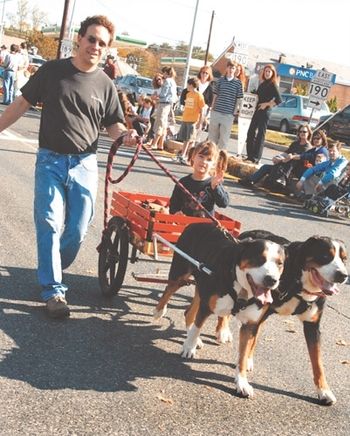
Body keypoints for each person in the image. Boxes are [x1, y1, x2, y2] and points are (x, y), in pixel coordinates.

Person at [0, 15, 136, 319]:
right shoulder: (52, 71)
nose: (95, 46)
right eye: (91, 39)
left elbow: (113, 123)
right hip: (50, 159)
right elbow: (21, 103)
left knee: (77, 229)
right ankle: (53, 290)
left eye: (102, 43)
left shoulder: (105, 83)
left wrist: (125, 136)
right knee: (48, 222)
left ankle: (52, 266)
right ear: (79, 38)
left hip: (85, 163)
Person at [239, 124, 312, 188]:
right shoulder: (295, 143)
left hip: (294, 168)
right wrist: (277, 157)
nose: (302, 133)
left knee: (292, 161)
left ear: (308, 133)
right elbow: (286, 153)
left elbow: (297, 157)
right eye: (300, 131)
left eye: (304, 132)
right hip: (283, 165)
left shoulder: (307, 147)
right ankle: (251, 181)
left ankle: (281, 179)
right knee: (265, 167)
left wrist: (283, 159)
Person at [169, 140, 229, 217]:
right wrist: (176, 212)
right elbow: (174, 204)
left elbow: (224, 203)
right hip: (185, 225)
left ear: (214, 164)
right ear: (193, 157)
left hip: (205, 226)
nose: (204, 161)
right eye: (201, 156)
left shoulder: (213, 183)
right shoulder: (183, 182)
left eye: (209, 160)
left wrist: (215, 187)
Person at [245, 64, 282, 164]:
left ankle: (256, 158)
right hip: (257, 110)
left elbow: (279, 100)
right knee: (251, 132)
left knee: (261, 134)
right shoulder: (262, 83)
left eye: (269, 72)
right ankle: (250, 156)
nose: (267, 73)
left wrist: (266, 104)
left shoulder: (273, 84)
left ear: (273, 73)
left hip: (265, 112)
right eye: (266, 71)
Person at [208, 60, 243, 150]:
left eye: (233, 68)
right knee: (212, 136)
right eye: (230, 67)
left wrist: (234, 112)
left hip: (228, 114)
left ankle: (220, 158)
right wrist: (212, 107)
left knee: (224, 138)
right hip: (217, 111)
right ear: (227, 68)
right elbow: (215, 94)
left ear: (235, 70)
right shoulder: (220, 80)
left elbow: (239, 98)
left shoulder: (238, 83)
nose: (231, 69)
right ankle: (211, 154)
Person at [176, 77, 205, 163]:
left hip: (193, 120)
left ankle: (189, 157)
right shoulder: (188, 94)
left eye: (188, 84)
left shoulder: (199, 95)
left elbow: (202, 109)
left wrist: (200, 122)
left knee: (190, 139)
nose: (187, 86)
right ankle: (183, 154)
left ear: (192, 85)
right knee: (185, 138)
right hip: (186, 119)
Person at [151, 66, 177, 151]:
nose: (163, 75)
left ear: (166, 73)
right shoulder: (173, 81)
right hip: (169, 104)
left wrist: (157, 96)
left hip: (163, 104)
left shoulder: (167, 81)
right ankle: (160, 144)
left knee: (160, 123)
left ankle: (154, 143)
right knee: (164, 124)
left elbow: (164, 94)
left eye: (164, 73)